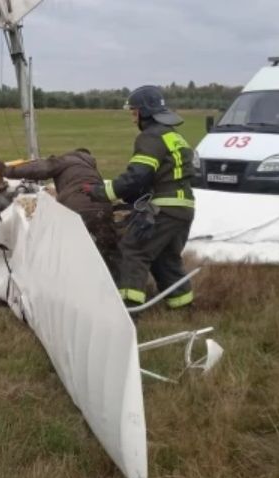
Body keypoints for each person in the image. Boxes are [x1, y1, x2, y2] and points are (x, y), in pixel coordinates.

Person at [83, 85, 198, 310]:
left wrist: (101, 192)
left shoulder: (151, 137)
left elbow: (137, 176)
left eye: (134, 113)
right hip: (184, 208)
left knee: (133, 252)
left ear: (145, 112)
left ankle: (128, 311)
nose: (133, 119)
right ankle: (184, 309)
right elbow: (155, 177)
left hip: (164, 208)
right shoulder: (175, 136)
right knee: (166, 260)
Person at [0, 149, 119, 280]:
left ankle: (77, 285)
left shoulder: (67, 160)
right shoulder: (90, 169)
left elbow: (39, 169)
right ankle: (115, 288)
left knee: (72, 251)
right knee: (107, 249)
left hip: (76, 208)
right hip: (103, 207)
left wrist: (6, 171)